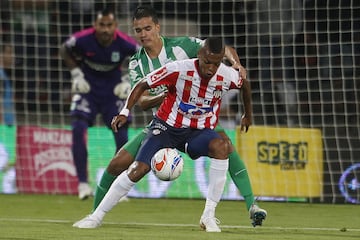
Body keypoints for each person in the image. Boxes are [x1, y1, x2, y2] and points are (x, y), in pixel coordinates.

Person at [85, 5, 266, 227]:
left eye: (147, 28)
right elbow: (142, 101)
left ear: (157, 27)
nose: (143, 34)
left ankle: (250, 206)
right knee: (118, 163)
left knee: (225, 147)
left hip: (197, 119)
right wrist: (166, 94)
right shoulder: (136, 62)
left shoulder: (182, 46)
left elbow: (222, 48)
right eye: (138, 30)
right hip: (163, 123)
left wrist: (235, 64)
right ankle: (95, 214)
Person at [59, 8, 138, 200]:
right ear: (95, 25)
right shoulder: (82, 39)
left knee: (122, 133)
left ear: (115, 27)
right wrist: (76, 74)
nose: (105, 29)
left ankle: (117, 186)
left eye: (109, 25)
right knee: (78, 128)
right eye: (101, 25)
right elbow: (64, 49)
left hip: (113, 91)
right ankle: (83, 184)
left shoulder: (125, 43)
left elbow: (141, 56)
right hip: (88, 89)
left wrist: (128, 79)